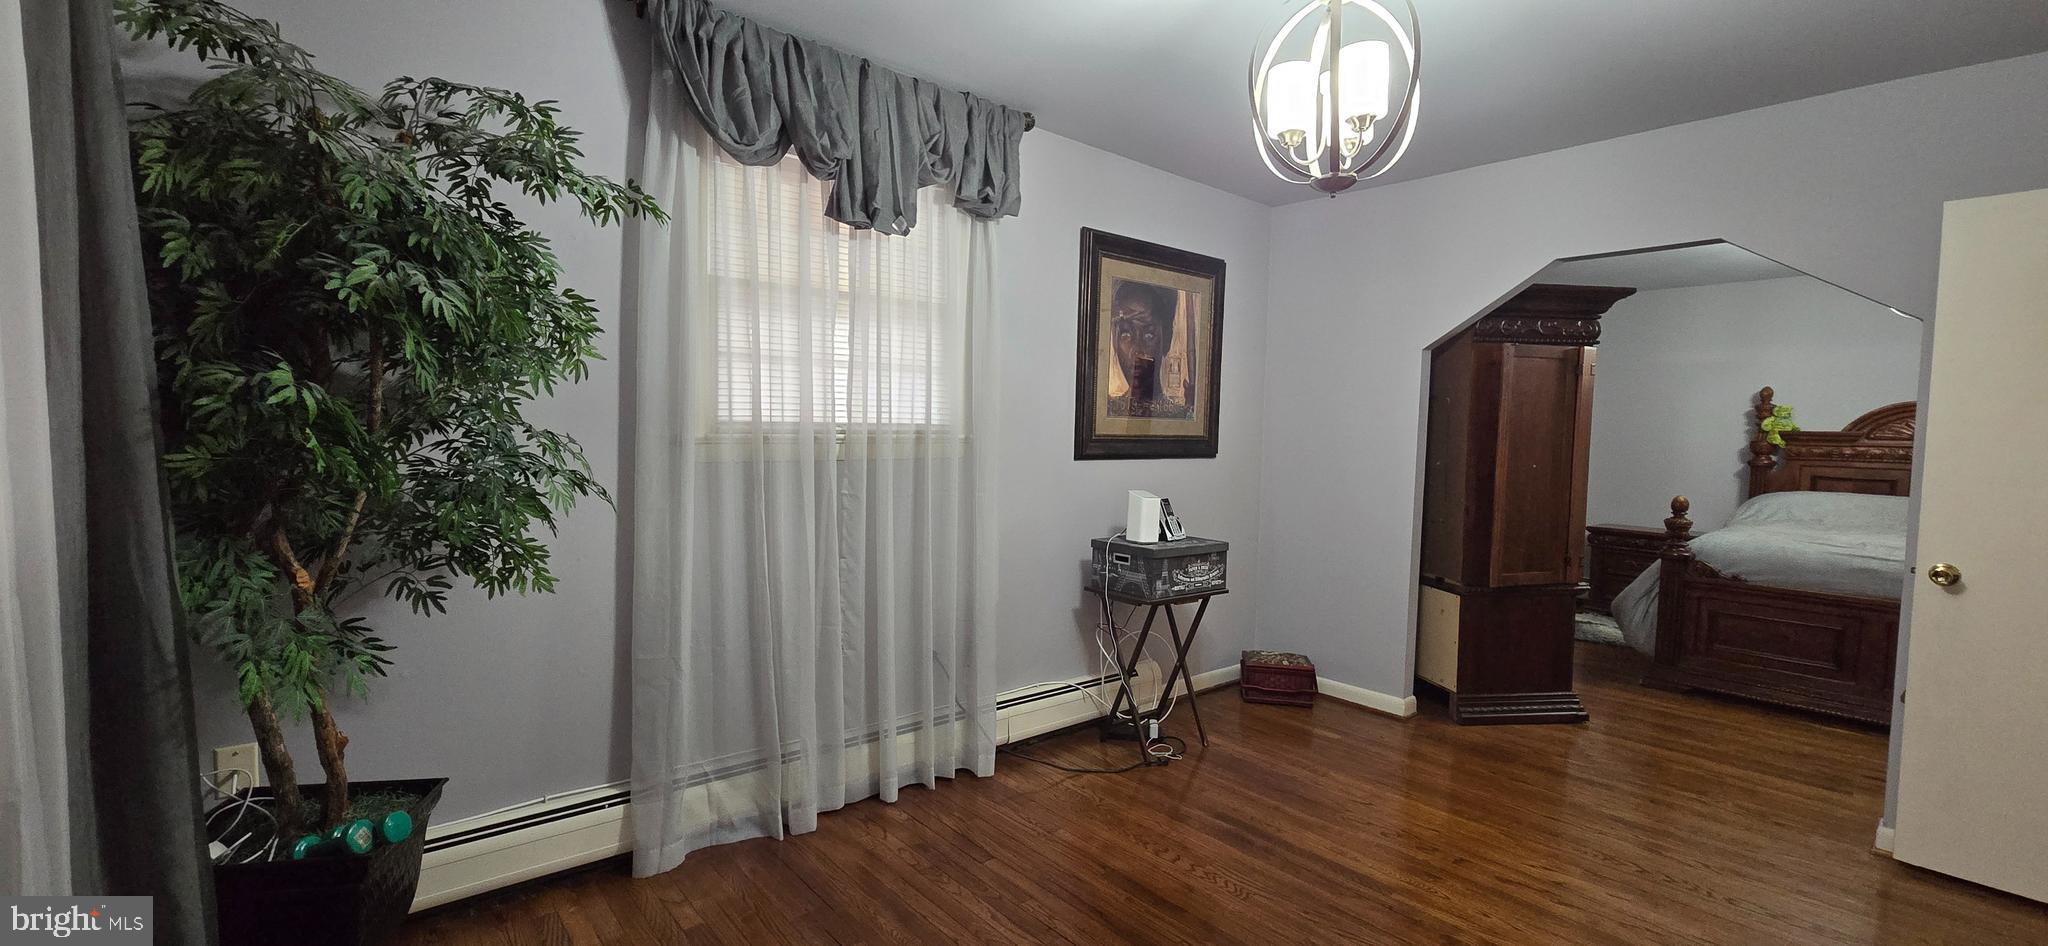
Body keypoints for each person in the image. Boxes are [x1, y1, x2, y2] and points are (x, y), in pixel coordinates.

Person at [1106, 279, 1193, 419]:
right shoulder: (1107, 412)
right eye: (1126, 334)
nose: (1137, 351)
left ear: (1167, 339)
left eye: (1149, 335)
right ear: (1114, 340)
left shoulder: (1180, 417)